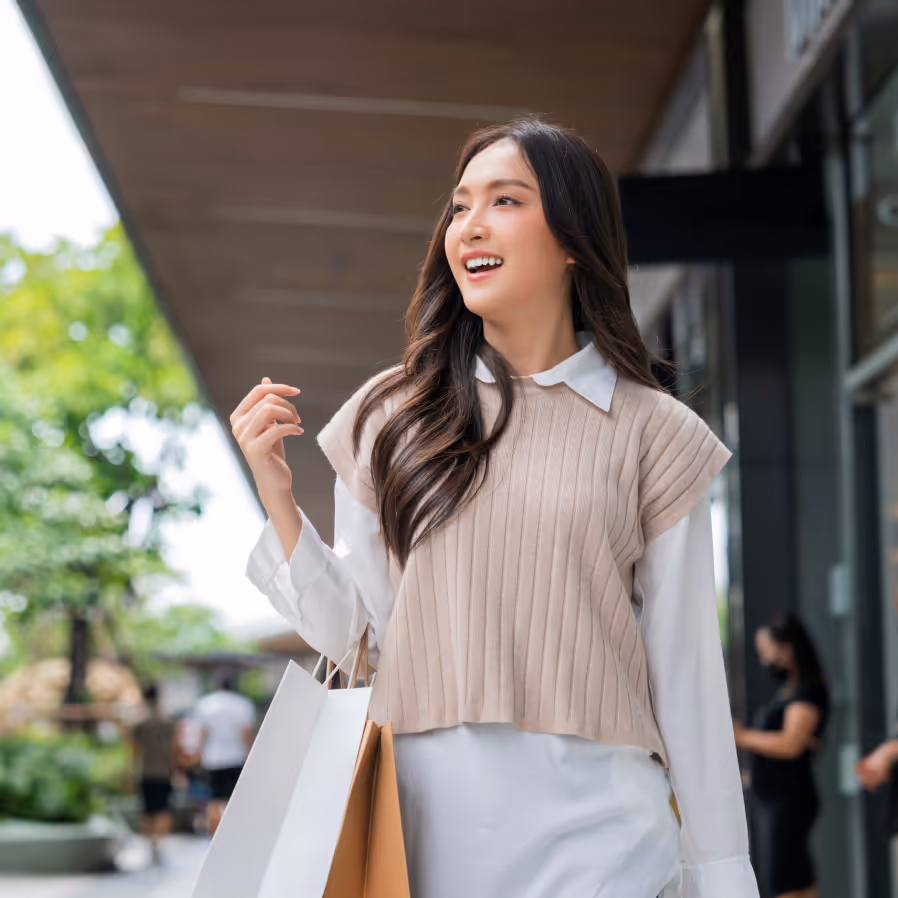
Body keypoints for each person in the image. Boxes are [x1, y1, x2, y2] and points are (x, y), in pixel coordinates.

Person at [236, 119, 759, 897]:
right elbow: (361, 639)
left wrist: (723, 878)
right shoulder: (393, 416)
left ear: (576, 239)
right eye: (459, 207)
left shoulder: (656, 431)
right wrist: (278, 501)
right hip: (423, 830)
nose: (470, 226)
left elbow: (687, 678)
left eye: (505, 200)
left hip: (606, 838)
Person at [733, 614, 829, 898]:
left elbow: (790, 744)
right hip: (778, 800)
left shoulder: (807, 690)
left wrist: (739, 736)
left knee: (785, 883)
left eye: (767, 651)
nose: (764, 660)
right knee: (796, 881)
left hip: (788, 803)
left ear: (787, 648)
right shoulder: (789, 691)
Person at [193, 673, 255, 836]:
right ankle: (232, 835)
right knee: (235, 801)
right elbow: (246, 733)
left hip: (212, 759)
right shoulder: (243, 704)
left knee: (214, 801)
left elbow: (203, 733)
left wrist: (199, 753)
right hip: (236, 757)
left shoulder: (205, 704)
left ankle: (214, 837)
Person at [130, 683, 178, 865]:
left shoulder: (139, 721)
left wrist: (130, 773)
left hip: (146, 771)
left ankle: (151, 844)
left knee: (147, 810)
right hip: (164, 771)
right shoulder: (167, 720)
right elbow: (174, 748)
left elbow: (134, 750)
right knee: (163, 809)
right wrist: (176, 770)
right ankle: (159, 842)